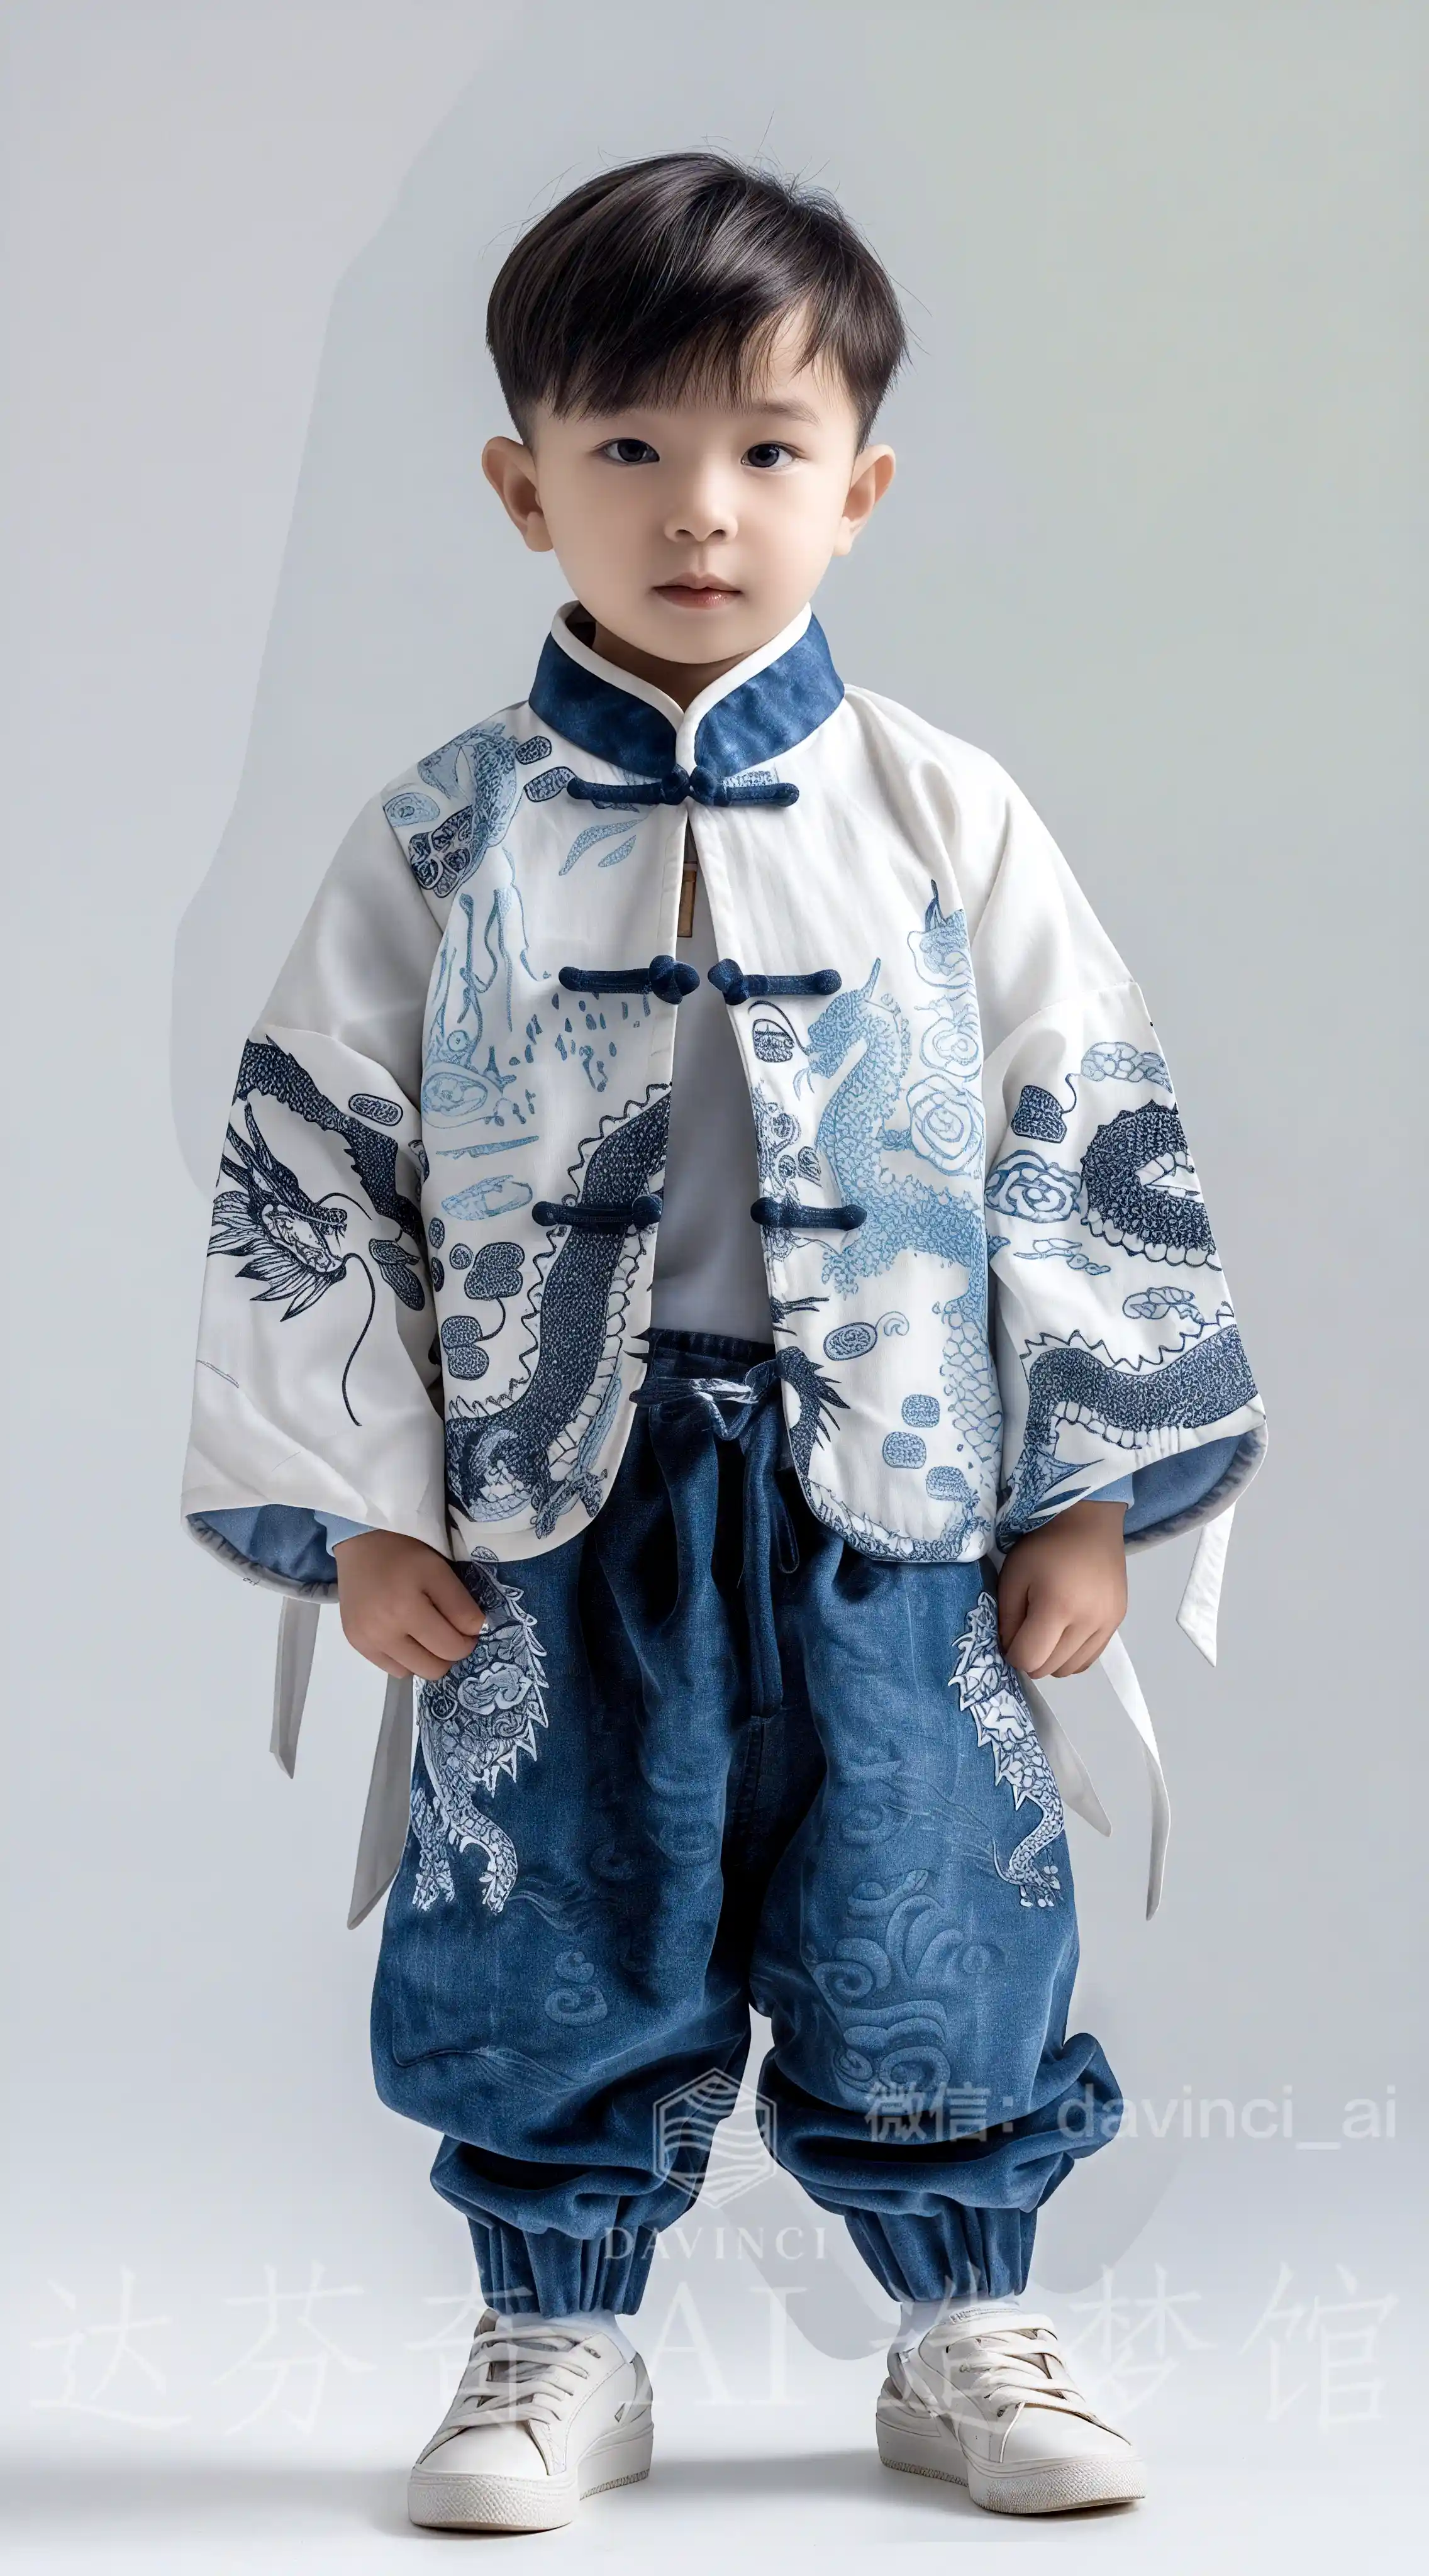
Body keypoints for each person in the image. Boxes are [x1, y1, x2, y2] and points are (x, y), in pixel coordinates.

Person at [182, 151, 1265, 2529]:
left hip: (901, 1497)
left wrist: (1086, 1489)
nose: (702, 508)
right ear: (525, 488)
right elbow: (309, 1163)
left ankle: (965, 2320)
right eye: (632, 447)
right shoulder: (445, 837)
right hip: (554, 1510)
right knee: (550, 1910)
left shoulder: (941, 816)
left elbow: (1086, 1125)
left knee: (933, 1901)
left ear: (858, 488)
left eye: (769, 449)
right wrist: (365, 1516)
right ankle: (556, 2335)